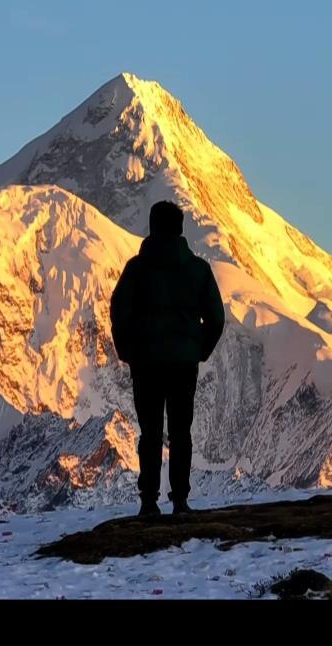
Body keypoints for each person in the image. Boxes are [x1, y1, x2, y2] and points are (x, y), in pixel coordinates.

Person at [110, 201, 225, 517]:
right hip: (183, 365)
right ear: (181, 228)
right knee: (180, 432)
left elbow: (119, 313)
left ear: (152, 226)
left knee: (149, 433)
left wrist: (127, 351)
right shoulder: (198, 270)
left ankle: (148, 501)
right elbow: (216, 318)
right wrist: (198, 350)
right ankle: (180, 501)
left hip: (145, 362)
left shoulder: (136, 269)